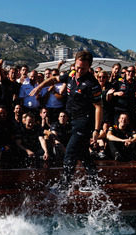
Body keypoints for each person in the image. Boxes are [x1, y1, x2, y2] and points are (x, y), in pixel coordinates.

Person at [30, 50, 102, 186]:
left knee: (70, 152)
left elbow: (98, 107)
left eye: (83, 68)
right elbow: (54, 79)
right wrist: (40, 87)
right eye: (77, 67)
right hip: (71, 119)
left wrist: (96, 130)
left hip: (84, 121)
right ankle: (94, 182)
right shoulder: (71, 74)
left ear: (89, 67)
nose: (79, 70)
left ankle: (64, 185)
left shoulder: (92, 84)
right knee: (83, 153)